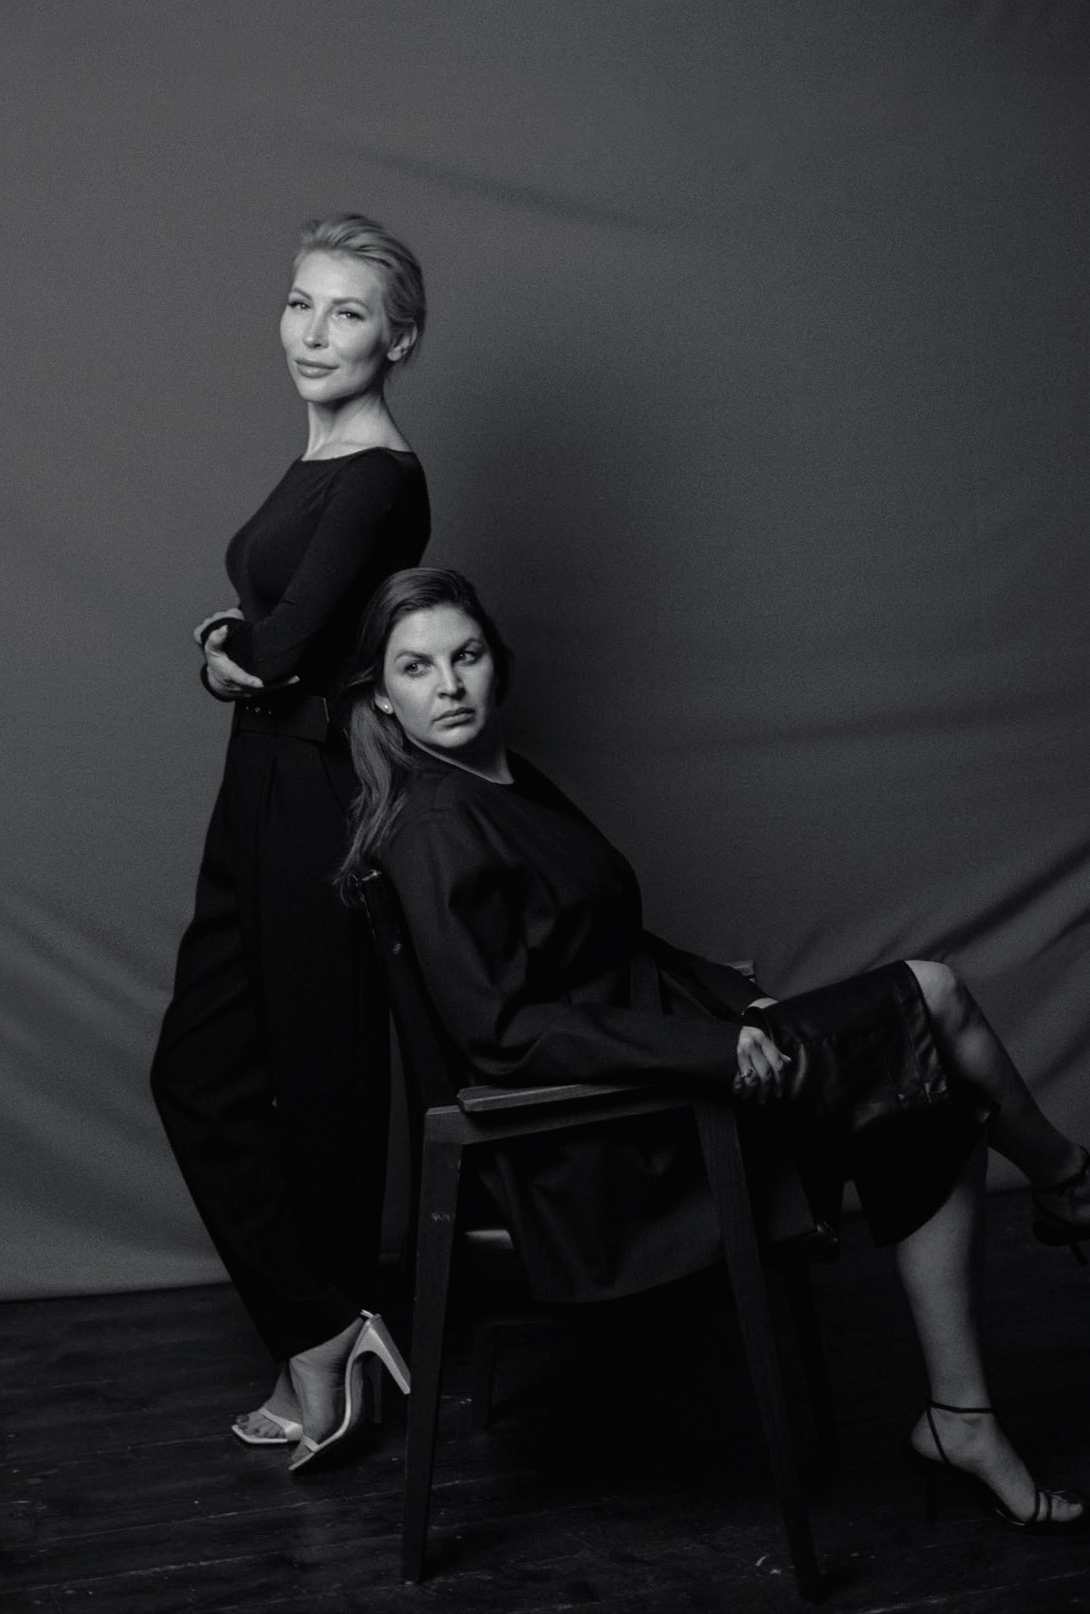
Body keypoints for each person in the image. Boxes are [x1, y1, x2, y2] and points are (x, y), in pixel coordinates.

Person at [338, 566, 1090, 1531]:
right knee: (931, 997)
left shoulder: (503, 777)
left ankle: (963, 1415)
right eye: (416, 667)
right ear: (381, 695)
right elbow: (507, 1030)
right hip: (611, 1149)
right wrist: (711, 1048)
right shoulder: (438, 824)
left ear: (497, 664)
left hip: (661, 1069)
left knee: (930, 1099)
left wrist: (744, 1002)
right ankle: (1070, 1185)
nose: (448, 685)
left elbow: (615, 944)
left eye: (466, 655)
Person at [150, 215, 429, 1472]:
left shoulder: (376, 476)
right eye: (299, 303)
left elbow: (279, 648)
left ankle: (318, 1341)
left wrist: (233, 654)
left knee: (318, 1079)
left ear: (397, 339)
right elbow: (277, 630)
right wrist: (242, 650)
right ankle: (320, 1325)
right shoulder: (320, 461)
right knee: (200, 1070)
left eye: (347, 312)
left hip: (316, 787)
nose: (313, 334)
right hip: (258, 780)